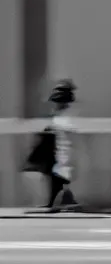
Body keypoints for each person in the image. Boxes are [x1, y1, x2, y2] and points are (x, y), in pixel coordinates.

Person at [23, 79, 80, 212]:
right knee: (57, 174)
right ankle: (64, 199)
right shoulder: (65, 112)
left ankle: (61, 200)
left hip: (57, 148)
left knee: (56, 174)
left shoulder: (63, 113)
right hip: (56, 148)